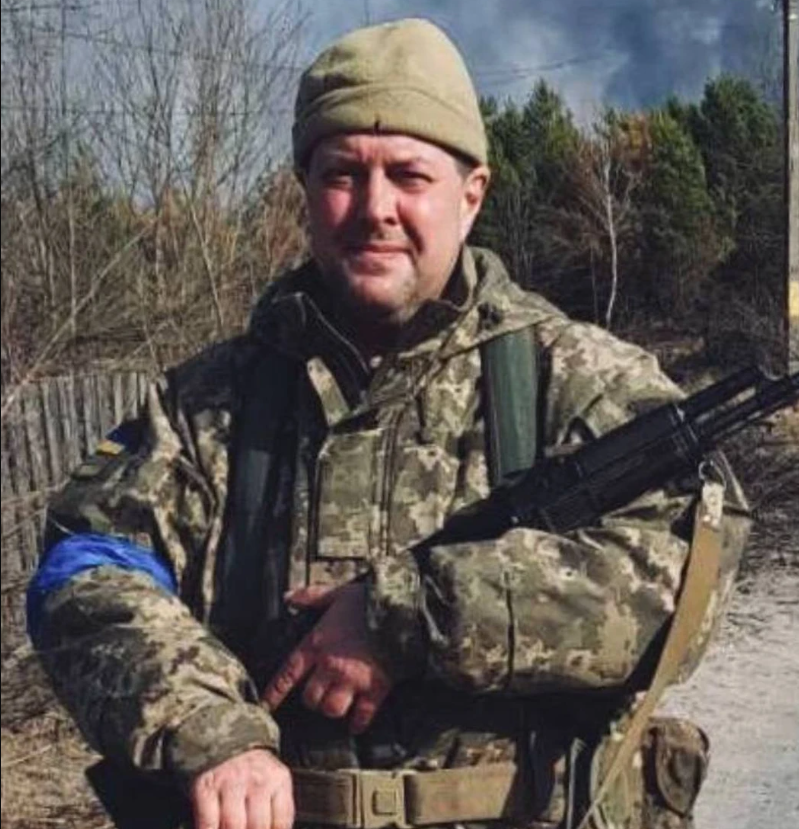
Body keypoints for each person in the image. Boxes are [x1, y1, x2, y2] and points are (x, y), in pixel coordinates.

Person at [27, 17, 751, 829]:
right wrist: (207, 727)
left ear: (470, 195)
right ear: (304, 189)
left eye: (409, 175)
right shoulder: (205, 405)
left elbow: (687, 575)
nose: (375, 208)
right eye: (342, 174)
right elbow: (85, 569)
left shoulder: (580, 381)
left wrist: (405, 615)